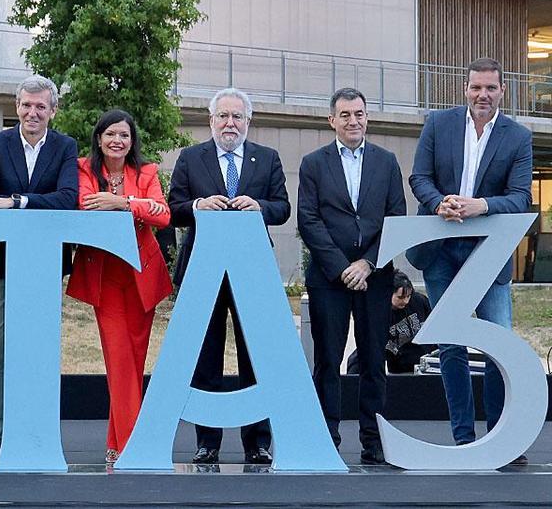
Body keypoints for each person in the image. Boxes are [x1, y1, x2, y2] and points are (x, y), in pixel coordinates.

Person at [408, 56, 532, 464]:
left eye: (491, 88)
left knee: (500, 346)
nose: (483, 95)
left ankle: (499, 439)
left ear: (502, 91)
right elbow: (419, 177)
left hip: (488, 252)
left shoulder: (518, 137)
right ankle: (464, 439)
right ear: (465, 89)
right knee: (451, 346)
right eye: (476, 87)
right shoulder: (438, 124)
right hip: (440, 250)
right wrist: (437, 202)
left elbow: (521, 197)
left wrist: (482, 205)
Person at [167, 87, 290, 465]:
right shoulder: (191, 158)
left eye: (237, 116)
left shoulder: (267, 158)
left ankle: (258, 442)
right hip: (203, 269)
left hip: (253, 270)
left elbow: (283, 208)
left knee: (256, 355)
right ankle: (207, 442)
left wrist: (260, 206)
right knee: (206, 356)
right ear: (211, 120)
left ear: (248, 121)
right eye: (223, 116)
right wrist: (197, 205)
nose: (230, 123)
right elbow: (173, 208)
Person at [0, 74, 78, 465]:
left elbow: (67, 199)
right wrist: (20, 200)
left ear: (53, 111)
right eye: (26, 105)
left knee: (38, 351)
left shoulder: (65, 147)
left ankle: (35, 430)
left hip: (44, 268)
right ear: (17, 107)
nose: (33, 112)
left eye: (40, 106)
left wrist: (15, 202)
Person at [297, 87, 407, 465]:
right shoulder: (313, 163)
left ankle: (373, 440)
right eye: (345, 115)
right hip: (329, 278)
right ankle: (326, 437)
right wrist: (343, 266)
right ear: (332, 120)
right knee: (327, 360)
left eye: (359, 113)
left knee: (374, 360)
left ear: (367, 117)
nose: (353, 121)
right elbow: (308, 220)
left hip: (375, 278)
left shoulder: (387, 162)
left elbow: (395, 217)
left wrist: (368, 263)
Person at [66, 109, 172, 464]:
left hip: (142, 276)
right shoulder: (83, 169)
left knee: (134, 360)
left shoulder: (147, 172)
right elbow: (85, 204)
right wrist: (136, 208)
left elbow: (162, 214)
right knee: (119, 357)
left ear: (132, 141)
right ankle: (132, 447)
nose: (117, 140)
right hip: (105, 276)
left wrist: (122, 202)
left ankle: (116, 442)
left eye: (124, 135)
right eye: (111, 134)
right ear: (99, 138)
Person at [385, 272, 435, 375]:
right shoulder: (380, 314)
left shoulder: (419, 301)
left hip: (427, 365)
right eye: (400, 297)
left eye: (408, 296)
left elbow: (434, 326)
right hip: (399, 371)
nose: (405, 301)